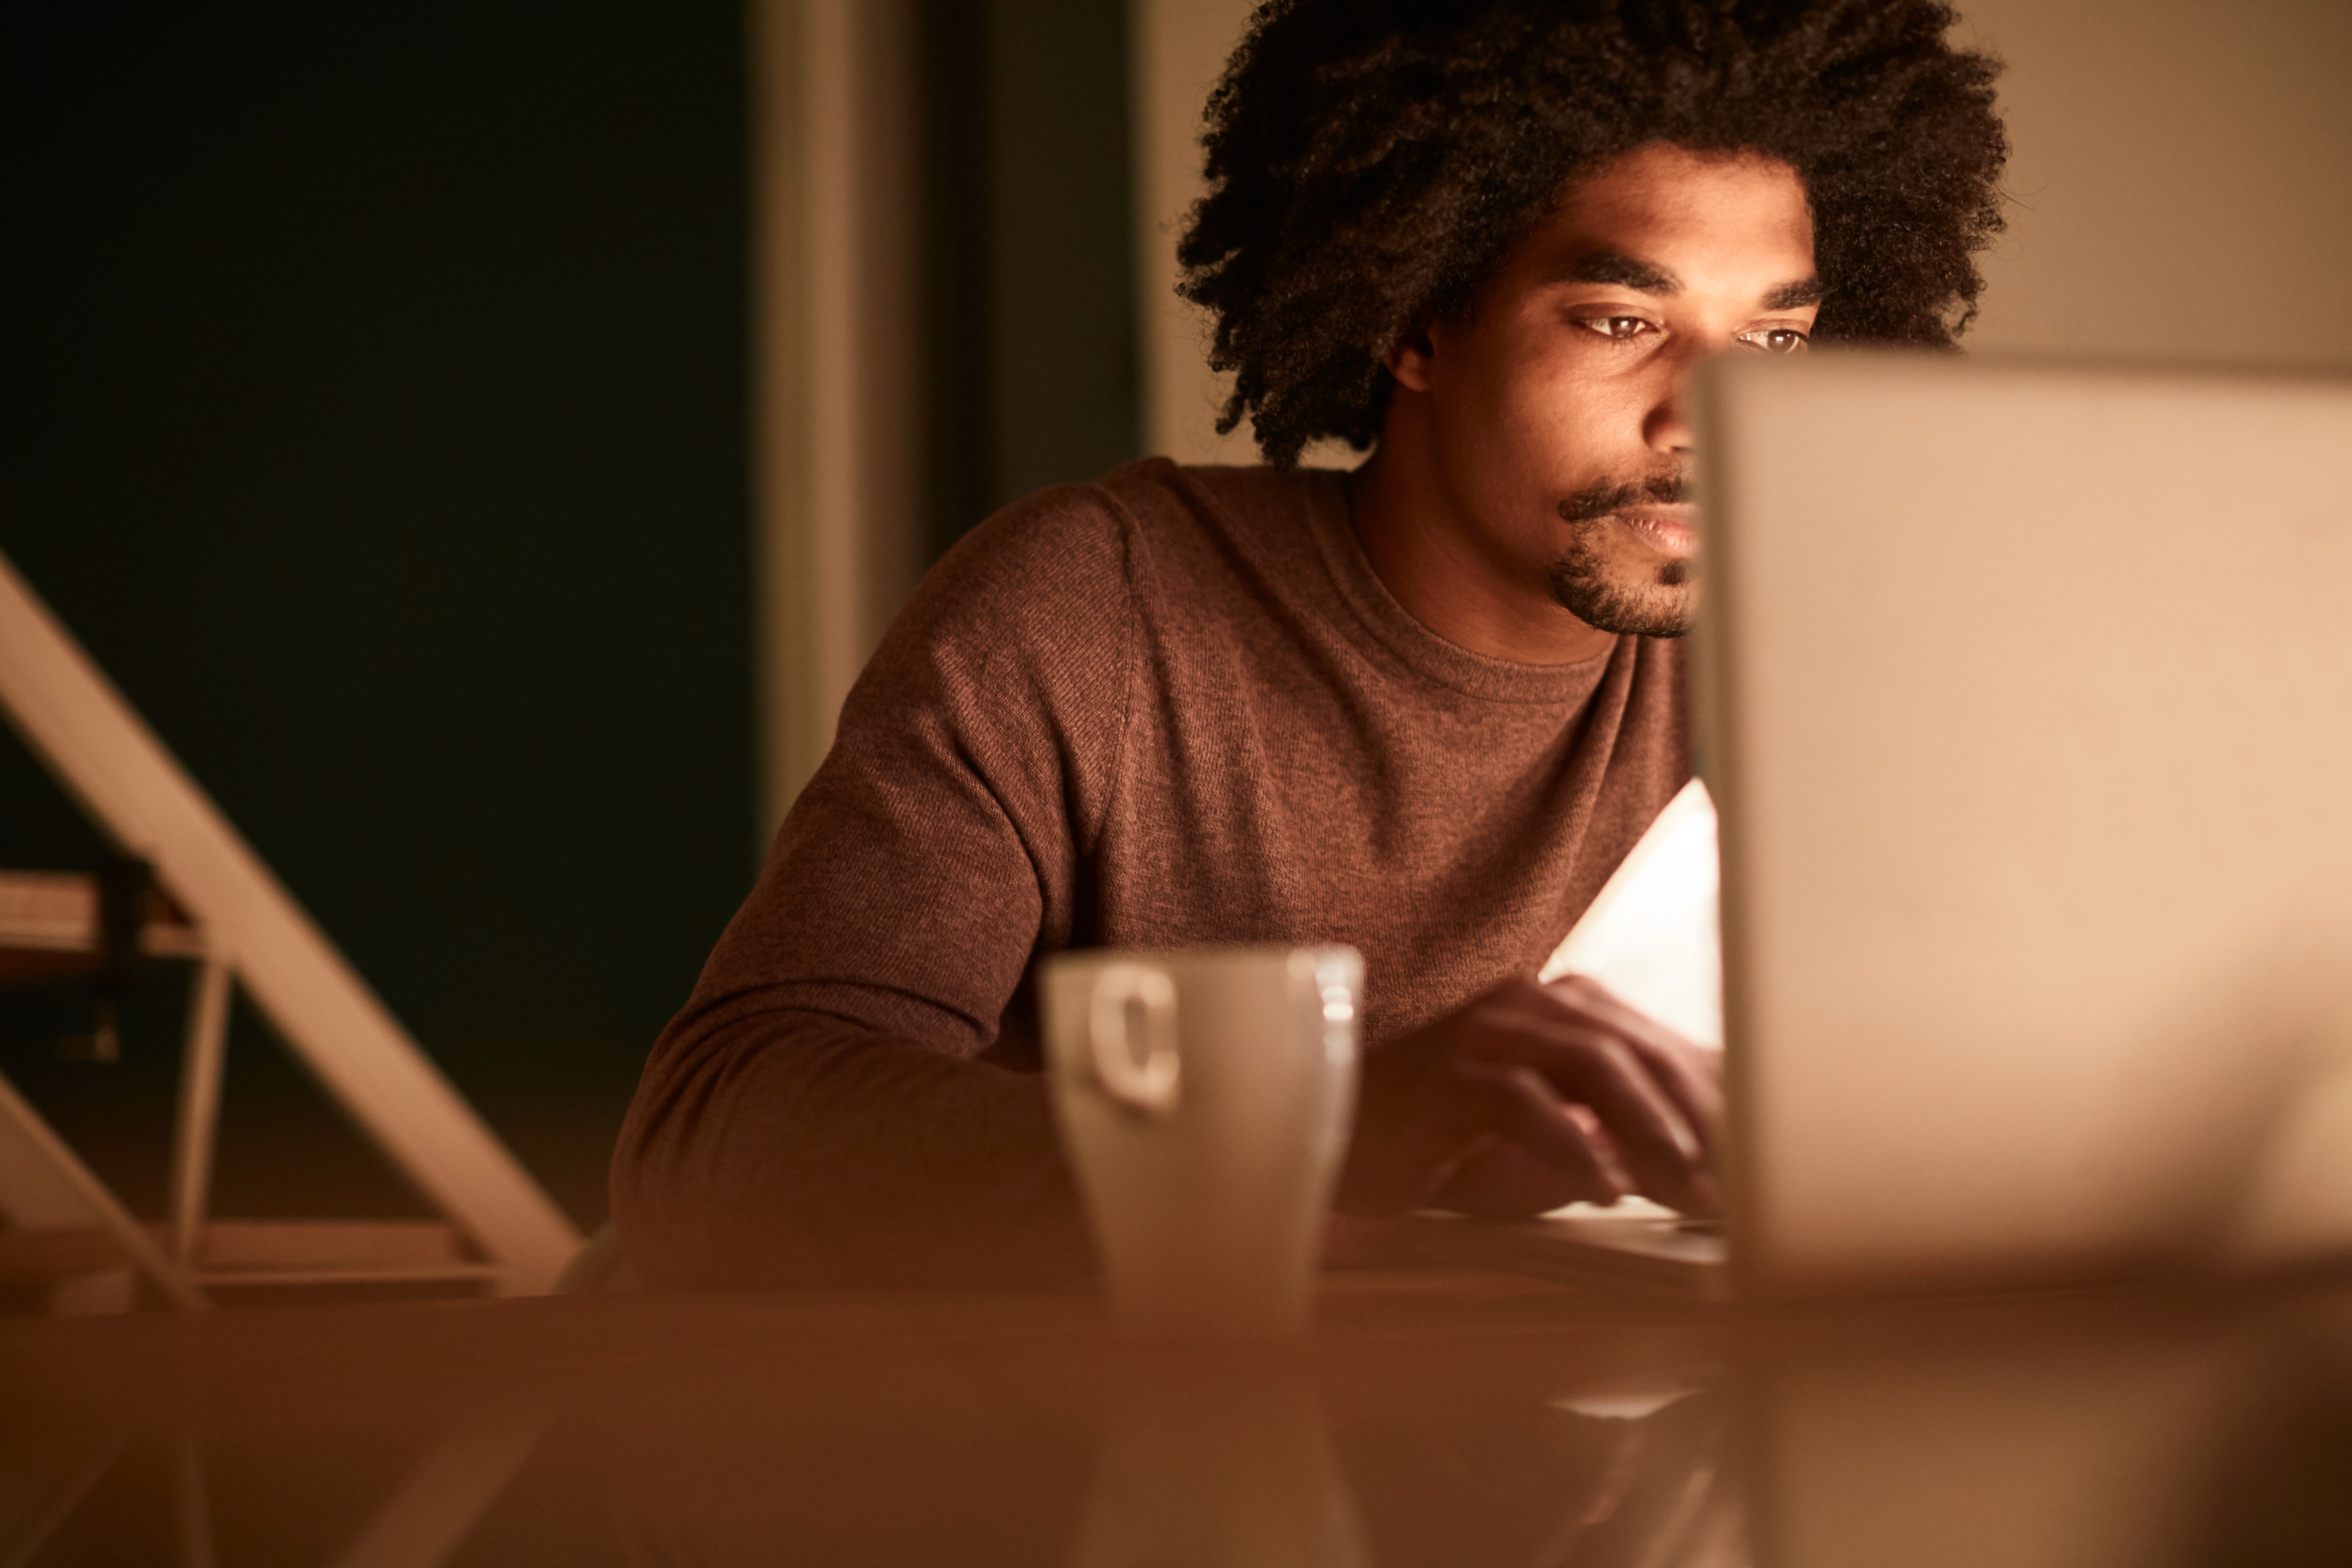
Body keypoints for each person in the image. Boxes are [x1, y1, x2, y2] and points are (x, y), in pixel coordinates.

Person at [612, 0, 2008, 1287]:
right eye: (1621, 321)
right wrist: (1310, 1135)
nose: (1707, 419)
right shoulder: (1096, 610)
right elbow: (712, 1132)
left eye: (1771, 342)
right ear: (1416, 322)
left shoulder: (1805, 664)